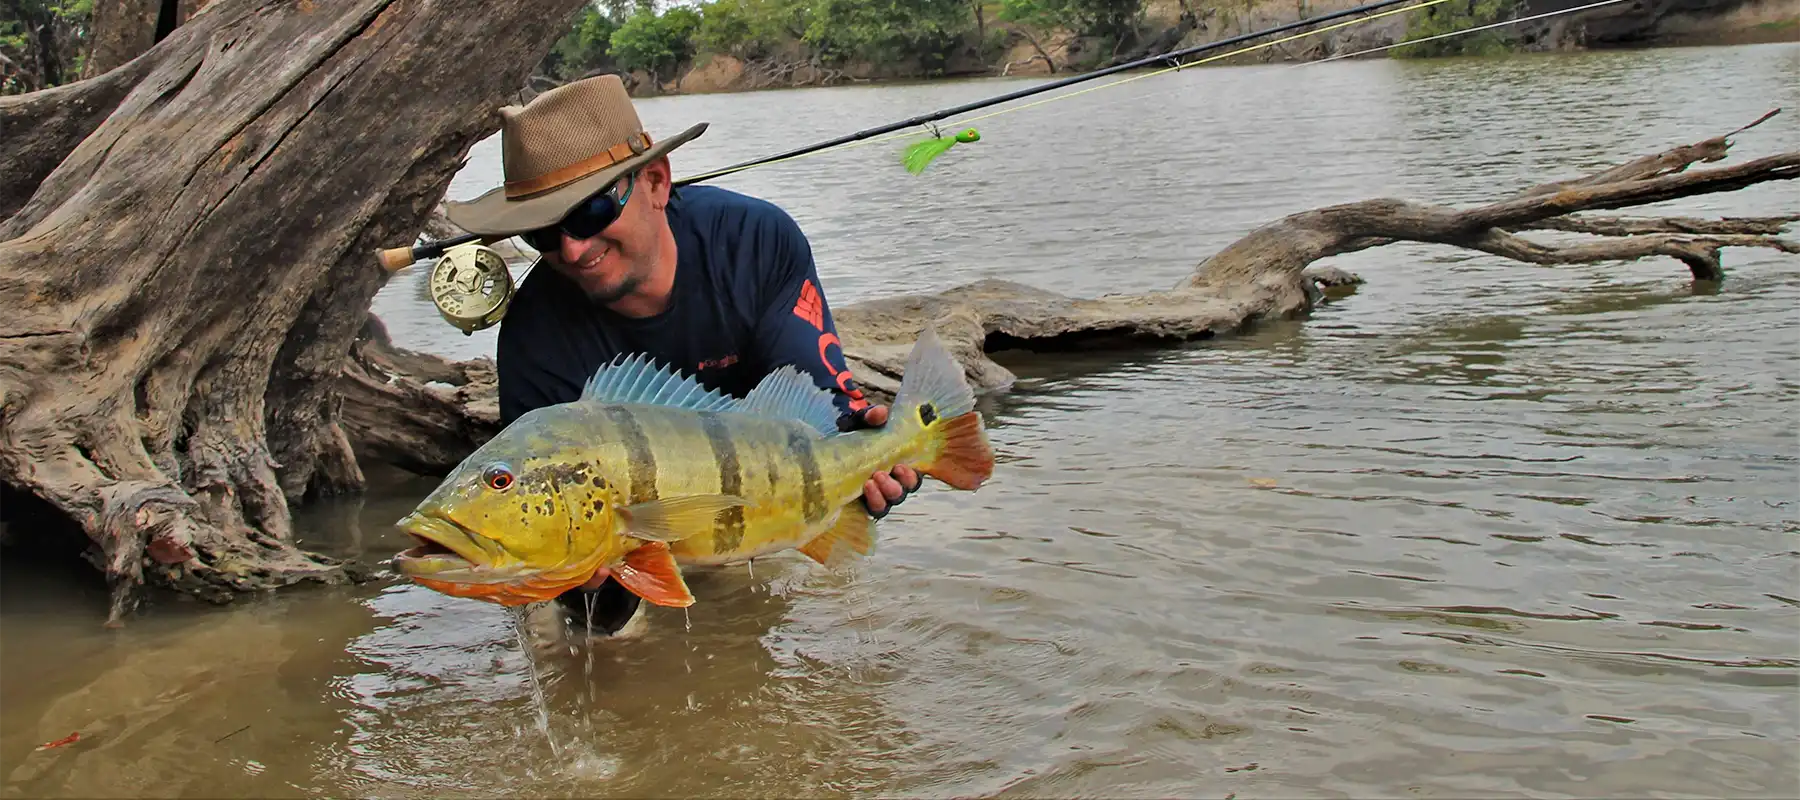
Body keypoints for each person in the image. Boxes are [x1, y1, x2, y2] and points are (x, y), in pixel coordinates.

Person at [441, 74, 921, 635]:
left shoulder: (754, 240)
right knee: (596, 646)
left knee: (782, 616)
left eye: (591, 211)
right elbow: (589, 607)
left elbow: (818, 409)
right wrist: (583, 582)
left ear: (656, 182)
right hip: (628, 534)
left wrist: (870, 452)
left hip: (756, 497)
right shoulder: (534, 335)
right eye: (543, 232)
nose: (571, 248)